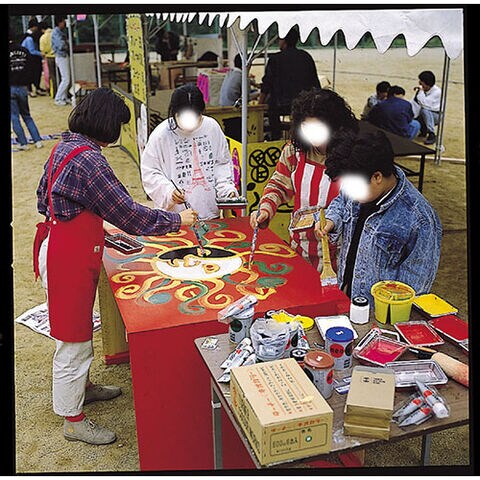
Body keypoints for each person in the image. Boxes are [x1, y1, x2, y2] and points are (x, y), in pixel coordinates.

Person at [34, 88, 197, 445]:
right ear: (107, 123)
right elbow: (126, 213)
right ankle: (73, 419)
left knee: (77, 329)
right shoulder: (90, 161)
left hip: (59, 244)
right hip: (67, 258)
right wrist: (175, 221)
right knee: (73, 339)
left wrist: (86, 218)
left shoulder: (66, 145)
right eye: (119, 125)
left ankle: (83, 387)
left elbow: (43, 197)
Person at [315, 129, 442, 303]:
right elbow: (341, 202)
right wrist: (332, 219)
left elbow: (413, 291)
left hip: (379, 314)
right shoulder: (360, 178)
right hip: (347, 298)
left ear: (377, 177)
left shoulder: (420, 220)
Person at [250, 88, 359, 272]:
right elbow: (278, 184)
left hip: (341, 254)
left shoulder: (352, 155)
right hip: (300, 249)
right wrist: (265, 209)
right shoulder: (294, 151)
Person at [141, 84, 238, 220]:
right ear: (174, 112)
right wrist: (169, 192)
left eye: (195, 118)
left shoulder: (212, 127)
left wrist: (226, 190)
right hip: (175, 218)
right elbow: (150, 172)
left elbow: (221, 163)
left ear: (201, 112)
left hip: (210, 213)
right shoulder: (161, 135)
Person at [259, 27, 321, 140]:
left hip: (280, 105)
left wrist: (259, 105)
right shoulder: (306, 56)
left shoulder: (275, 59)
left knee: (271, 108)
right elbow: (315, 84)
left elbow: (266, 85)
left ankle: (276, 137)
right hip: (304, 105)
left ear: (284, 41)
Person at [9, 26, 43, 150]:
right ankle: (37, 140)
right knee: (27, 115)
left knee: (14, 117)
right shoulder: (24, 50)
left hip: (11, 87)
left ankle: (23, 143)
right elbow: (31, 68)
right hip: (23, 87)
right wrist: (29, 84)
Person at [412, 70, 441, 145]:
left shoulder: (437, 92)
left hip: (436, 116)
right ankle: (423, 130)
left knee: (425, 110)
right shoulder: (422, 90)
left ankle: (431, 133)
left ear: (427, 84)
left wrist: (420, 91)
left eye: (421, 82)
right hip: (425, 115)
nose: (420, 84)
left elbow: (424, 104)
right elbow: (415, 104)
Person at [21, 18, 47, 97]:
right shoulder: (29, 38)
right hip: (30, 58)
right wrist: (41, 54)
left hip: (31, 58)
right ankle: (30, 90)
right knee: (31, 74)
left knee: (35, 73)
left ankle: (36, 88)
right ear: (33, 27)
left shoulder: (29, 36)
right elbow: (31, 50)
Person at [51, 15, 70, 106]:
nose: (65, 23)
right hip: (61, 56)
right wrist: (67, 43)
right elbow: (61, 45)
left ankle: (63, 97)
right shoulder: (56, 32)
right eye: (63, 21)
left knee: (66, 78)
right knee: (66, 79)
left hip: (63, 56)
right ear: (59, 22)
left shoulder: (60, 31)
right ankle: (58, 98)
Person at [39, 21, 56, 95]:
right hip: (58, 56)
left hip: (49, 57)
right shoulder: (54, 33)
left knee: (52, 76)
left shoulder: (43, 37)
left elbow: (43, 51)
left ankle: (54, 92)